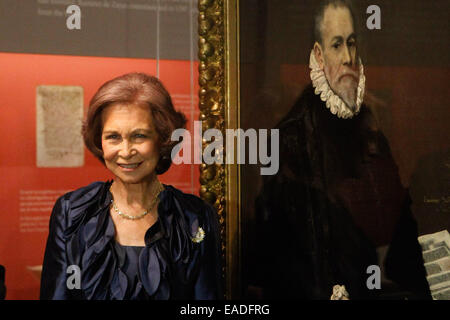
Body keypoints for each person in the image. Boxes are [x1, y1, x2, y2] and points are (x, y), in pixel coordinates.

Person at [252, 0, 431, 299]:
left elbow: (396, 218)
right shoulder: (293, 135)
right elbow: (286, 249)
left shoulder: (370, 127)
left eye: (352, 43)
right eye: (337, 45)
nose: (348, 57)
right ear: (319, 55)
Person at [40, 72, 222, 300]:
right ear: (99, 141)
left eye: (139, 136)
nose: (125, 152)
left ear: (163, 138)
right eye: (113, 137)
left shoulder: (194, 218)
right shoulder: (71, 212)